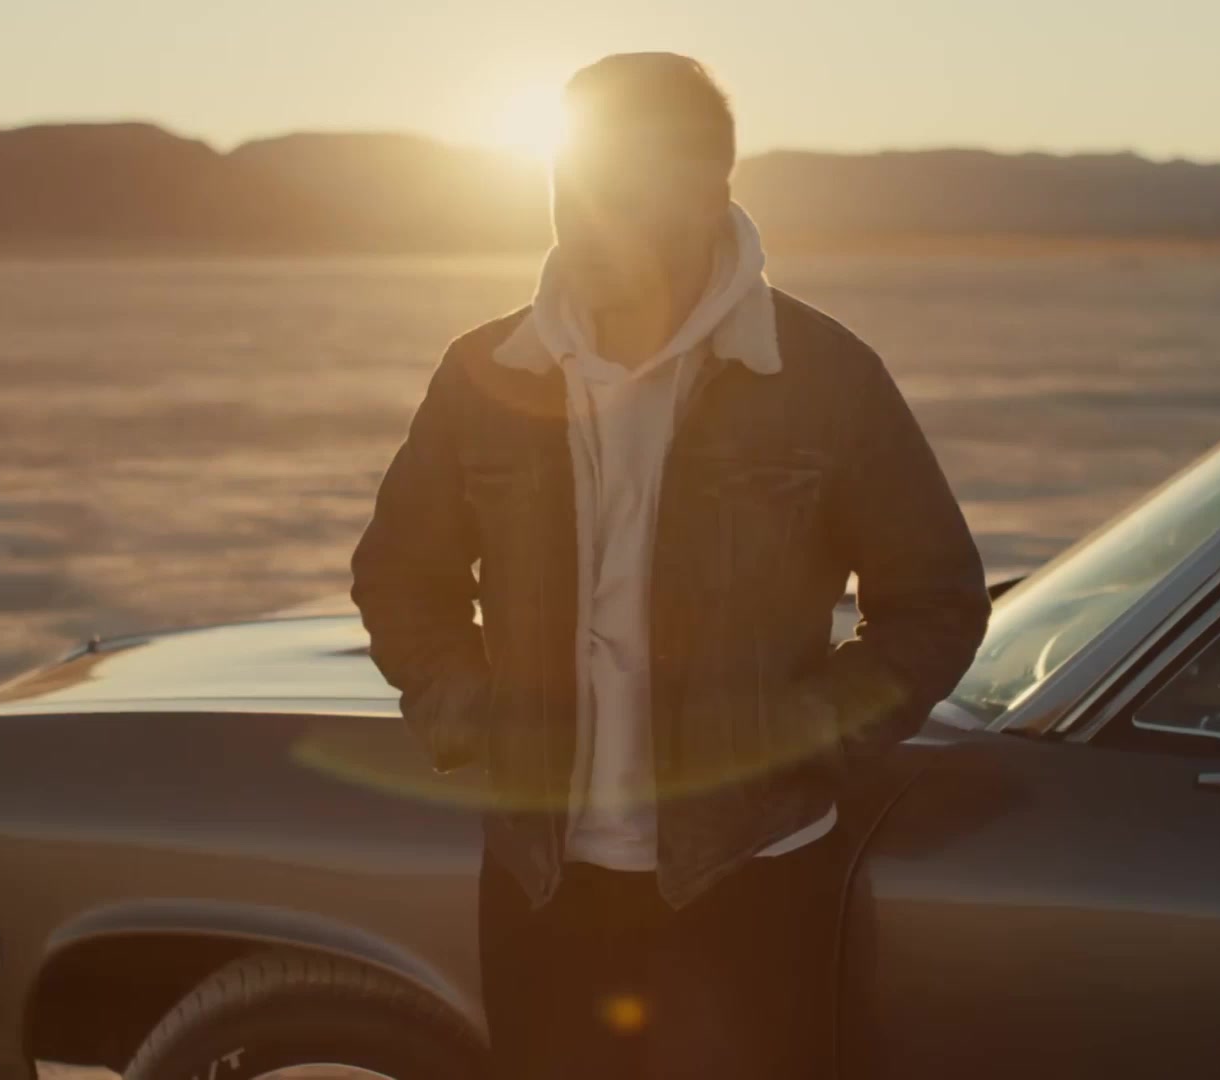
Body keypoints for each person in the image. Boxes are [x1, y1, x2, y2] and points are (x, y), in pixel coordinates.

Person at [351, 52, 990, 1080]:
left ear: (706, 191)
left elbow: (933, 602)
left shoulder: (822, 378)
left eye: (626, 186)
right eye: (571, 182)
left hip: (752, 880)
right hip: (542, 882)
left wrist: (800, 737)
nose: (589, 216)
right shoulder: (486, 373)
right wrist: (469, 710)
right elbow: (400, 575)